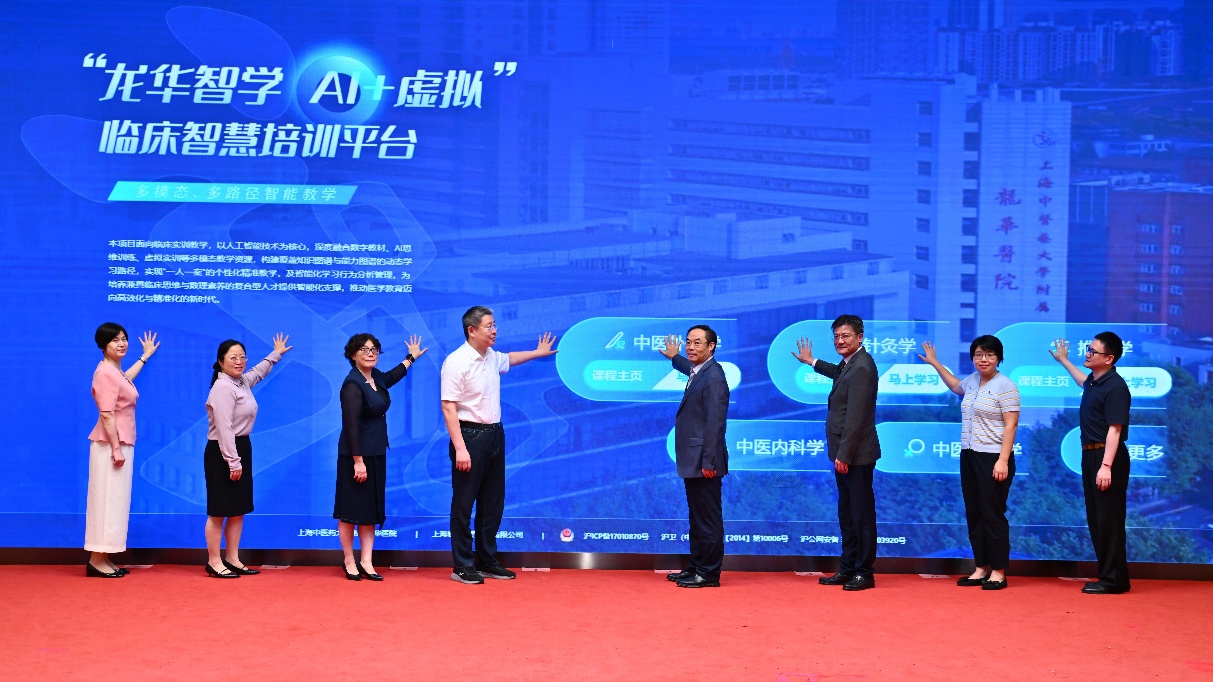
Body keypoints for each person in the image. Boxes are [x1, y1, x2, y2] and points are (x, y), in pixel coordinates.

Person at [441, 306, 557, 585]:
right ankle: (462, 565)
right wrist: (460, 448)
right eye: (489, 326)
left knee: (492, 502)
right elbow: (448, 407)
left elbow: (510, 359)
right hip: (469, 436)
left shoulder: (491, 356)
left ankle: (486, 560)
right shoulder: (456, 361)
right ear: (472, 330)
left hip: (495, 434)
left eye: (495, 325)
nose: (494, 330)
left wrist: (537, 352)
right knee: (464, 503)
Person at [919, 336, 1020, 590]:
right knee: (974, 513)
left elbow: (1011, 425)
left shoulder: (1006, 386)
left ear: (999, 358)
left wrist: (1003, 461)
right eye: (978, 355)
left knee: (992, 514)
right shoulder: (973, 381)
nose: (983, 359)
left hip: (994, 457)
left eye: (989, 355)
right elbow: (956, 386)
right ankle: (981, 567)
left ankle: (998, 571)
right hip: (970, 454)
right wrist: (935, 363)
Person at [793, 314, 881, 591]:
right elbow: (838, 374)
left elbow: (856, 417)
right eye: (837, 337)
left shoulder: (863, 367)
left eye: (846, 336)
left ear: (860, 337)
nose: (840, 341)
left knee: (861, 515)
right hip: (846, 452)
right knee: (848, 513)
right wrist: (812, 362)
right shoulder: (850, 363)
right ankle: (848, 567)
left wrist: (844, 454)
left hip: (856, 454)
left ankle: (864, 572)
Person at [335, 333, 427, 581]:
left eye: (374, 349)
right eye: (364, 350)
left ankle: (367, 561)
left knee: (370, 510)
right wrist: (358, 461)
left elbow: (391, 377)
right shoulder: (352, 384)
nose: (371, 353)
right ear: (353, 355)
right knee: (350, 511)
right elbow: (351, 426)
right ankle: (349, 560)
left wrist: (410, 358)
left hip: (376, 453)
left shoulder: (375, 377)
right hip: (355, 458)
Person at [203, 334, 292, 579]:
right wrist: (232, 461)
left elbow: (257, 373)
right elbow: (224, 428)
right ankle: (214, 561)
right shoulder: (222, 387)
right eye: (233, 358)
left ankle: (232, 558)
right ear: (220, 362)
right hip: (223, 452)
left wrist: (275, 354)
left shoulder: (240, 382)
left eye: (242, 357)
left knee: (237, 508)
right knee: (219, 510)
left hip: (241, 447)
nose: (239, 361)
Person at [1049, 332, 1132, 594]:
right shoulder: (1096, 382)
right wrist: (1064, 361)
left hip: (1107, 457)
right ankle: (1113, 577)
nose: (1087, 353)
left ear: (1109, 359)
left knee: (1108, 520)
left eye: (1093, 351)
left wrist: (1106, 466)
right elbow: (1082, 382)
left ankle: (1112, 580)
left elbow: (1115, 430)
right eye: (1088, 348)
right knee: (1098, 519)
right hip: (1091, 455)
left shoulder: (1116, 387)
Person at [85, 323, 159, 578]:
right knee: (105, 501)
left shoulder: (114, 371)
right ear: (103, 345)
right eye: (115, 340)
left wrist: (144, 357)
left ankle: (104, 556)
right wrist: (116, 449)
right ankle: (96, 559)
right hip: (110, 446)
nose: (122, 343)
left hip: (119, 443)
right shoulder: (105, 373)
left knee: (115, 501)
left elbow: (126, 381)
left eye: (124, 338)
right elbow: (106, 414)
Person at [658, 325, 729, 588]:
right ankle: (697, 566)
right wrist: (674, 357)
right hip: (695, 460)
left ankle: (708, 573)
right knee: (697, 518)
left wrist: (709, 461)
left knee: (707, 519)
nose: (691, 347)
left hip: (705, 461)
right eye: (688, 342)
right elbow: (689, 368)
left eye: (698, 343)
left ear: (711, 346)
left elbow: (715, 422)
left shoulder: (714, 376)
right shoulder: (699, 371)